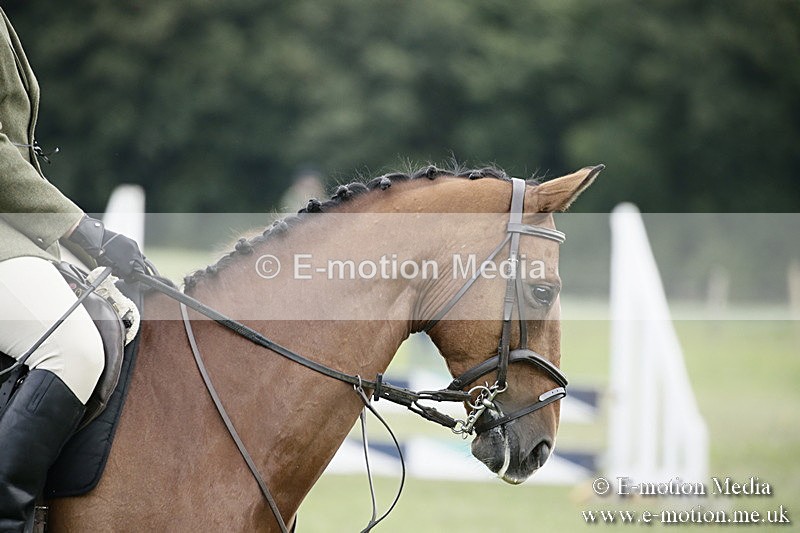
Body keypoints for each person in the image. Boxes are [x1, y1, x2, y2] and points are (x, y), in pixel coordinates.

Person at [0, 8, 145, 530]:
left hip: (12, 229)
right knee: (73, 349)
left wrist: (87, 248)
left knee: (125, 317)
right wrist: (85, 231)